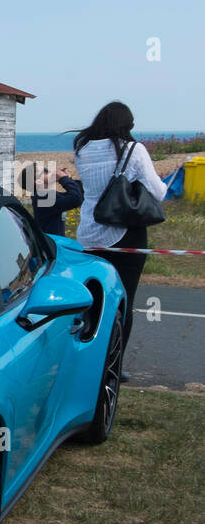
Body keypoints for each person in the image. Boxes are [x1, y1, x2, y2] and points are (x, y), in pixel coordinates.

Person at [72, 101, 167, 348]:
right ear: (127, 126)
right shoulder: (133, 150)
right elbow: (158, 192)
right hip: (124, 234)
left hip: (88, 234)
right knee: (123, 301)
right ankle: (114, 362)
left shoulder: (82, 150)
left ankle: (86, 354)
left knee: (92, 299)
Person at [27, 163, 83, 236]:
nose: (50, 173)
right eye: (45, 172)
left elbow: (79, 195)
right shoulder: (43, 197)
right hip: (51, 243)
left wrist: (68, 179)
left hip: (52, 241)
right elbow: (75, 199)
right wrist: (64, 179)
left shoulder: (42, 195)